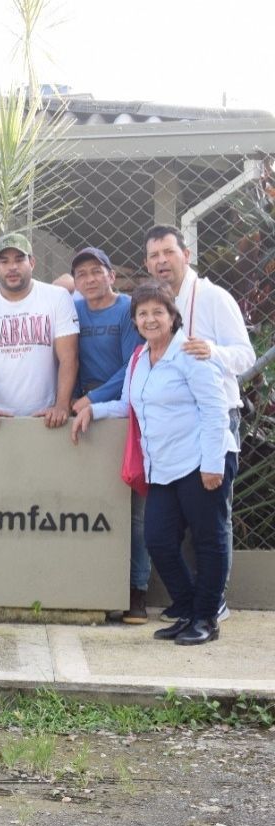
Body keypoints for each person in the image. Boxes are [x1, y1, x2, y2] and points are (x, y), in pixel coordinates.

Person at [72, 284, 237, 646]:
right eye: (142, 314)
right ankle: (189, 608)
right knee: (159, 540)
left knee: (209, 540)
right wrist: (92, 410)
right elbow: (127, 405)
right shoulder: (138, 358)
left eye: (157, 312)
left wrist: (213, 464)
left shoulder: (192, 354)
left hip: (200, 461)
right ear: (135, 320)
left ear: (172, 316)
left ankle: (206, 617)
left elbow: (214, 411)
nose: (150, 319)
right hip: (161, 465)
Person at [144, 224, 256, 623]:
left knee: (209, 521)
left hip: (215, 415)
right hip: (175, 427)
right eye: (154, 255)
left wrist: (213, 352)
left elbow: (245, 355)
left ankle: (212, 605)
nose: (161, 261)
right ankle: (193, 600)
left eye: (168, 253)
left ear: (185, 255)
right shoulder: (157, 305)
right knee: (168, 528)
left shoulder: (212, 297)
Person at [68, 246, 149, 624]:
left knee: (132, 508)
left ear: (111, 275)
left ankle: (137, 590)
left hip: (123, 411)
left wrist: (91, 399)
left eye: (96, 271)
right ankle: (93, 587)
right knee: (86, 507)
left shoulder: (129, 310)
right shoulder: (73, 308)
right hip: (83, 415)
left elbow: (131, 367)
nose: (89, 279)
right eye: (81, 274)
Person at [0, 232, 79, 431]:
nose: (12, 267)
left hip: (45, 416)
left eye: (19, 259)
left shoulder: (57, 298)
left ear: (32, 262)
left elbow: (69, 357)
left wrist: (61, 405)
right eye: (4, 261)